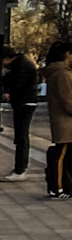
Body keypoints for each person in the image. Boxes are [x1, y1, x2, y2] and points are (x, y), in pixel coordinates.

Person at [0, 45, 40, 179]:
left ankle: (20, 169)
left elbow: (18, 84)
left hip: (25, 101)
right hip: (25, 101)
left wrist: (9, 88)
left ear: (7, 58)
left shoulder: (21, 65)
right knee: (21, 134)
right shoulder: (22, 62)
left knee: (21, 135)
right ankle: (20, 168)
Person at [46, 42, 72, 200]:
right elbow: (68, 100)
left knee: (65, 153)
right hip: (65, 121)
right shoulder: (63, 74)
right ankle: (58, 187)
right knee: (61, 154)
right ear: (67, 54)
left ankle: (63, 186)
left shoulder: (59, 72)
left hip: (64, 120)